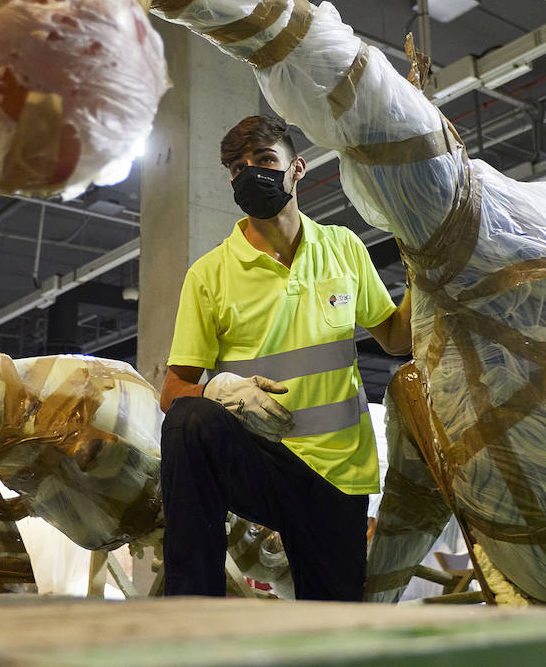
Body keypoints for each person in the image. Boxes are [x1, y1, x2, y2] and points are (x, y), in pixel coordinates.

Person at [158, 115, 412, 600]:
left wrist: (424, 271)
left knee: (334, 624)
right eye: (236, 167)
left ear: (296, 169)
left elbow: (397, 340)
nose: (249, 173)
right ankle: (193, 608)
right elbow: (172, 392)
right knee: (190, 420)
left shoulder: (343, 248)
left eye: (264, 161)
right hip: (263, 462)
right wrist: (216, 390)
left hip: (339, 474)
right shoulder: (209, 274)